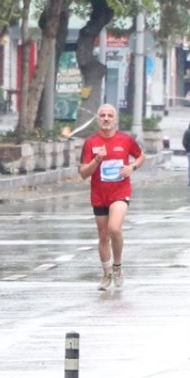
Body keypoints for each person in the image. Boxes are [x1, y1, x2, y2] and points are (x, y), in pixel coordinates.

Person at [79, 103, 144, 291]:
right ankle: (106, 273)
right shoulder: (91, 143)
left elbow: (141, 156)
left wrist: (132, 167)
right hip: (99, 194)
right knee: (103, 235)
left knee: (114, 228)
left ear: (115, 119)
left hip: (120, 192)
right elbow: (83, 173)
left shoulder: (125, 140)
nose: (106, 118)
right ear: (98, 119)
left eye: (109, 115)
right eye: (102, 115)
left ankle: (117, 267)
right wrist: (96, 160)